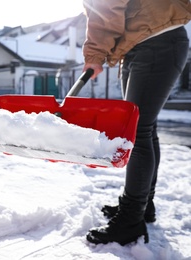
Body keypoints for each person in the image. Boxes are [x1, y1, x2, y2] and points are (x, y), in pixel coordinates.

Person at [82, 0, 191, 245]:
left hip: (155, 41)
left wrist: (95, 53)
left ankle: (131, 219)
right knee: (146, 128)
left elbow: (105, 5)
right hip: (145, 41)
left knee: (138, 131)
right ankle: (143, 205)